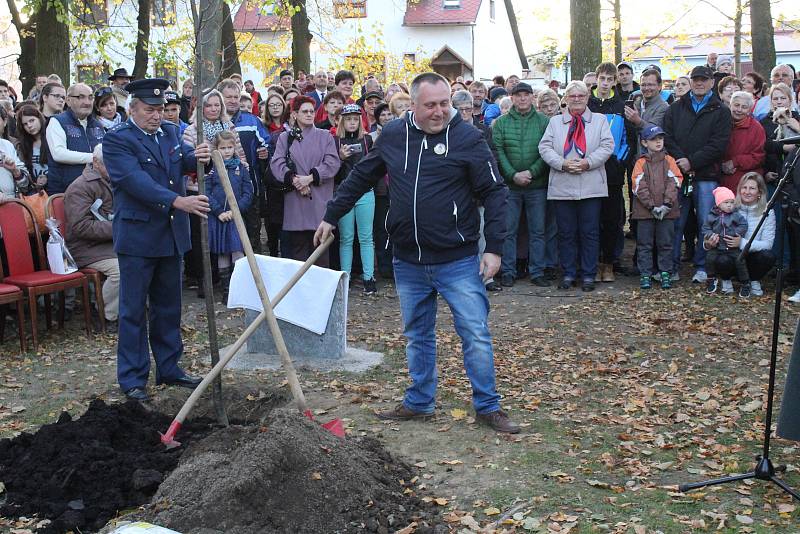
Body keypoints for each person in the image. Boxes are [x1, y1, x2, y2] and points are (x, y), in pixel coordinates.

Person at [313, 72, 518, 434]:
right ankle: (420, 401)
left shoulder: (468, 138)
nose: (440, 112)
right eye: (431, 105)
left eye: (445, 104)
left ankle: (488, 406)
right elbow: (361, 175)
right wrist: (332, 215)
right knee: (417, 334)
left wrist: (495, 248)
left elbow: (495, 193)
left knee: (475, 332)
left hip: (457, 260)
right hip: (408, 260)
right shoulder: (393, 135)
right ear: (413, 104)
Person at [102, 78, 211, 401]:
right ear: (132, 109)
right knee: (133, 310)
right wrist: (178, 201)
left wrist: (200, 156)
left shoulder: (171, 133)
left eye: (161, 109)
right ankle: (133, 379)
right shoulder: (118, 141)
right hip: (138, 236)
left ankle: (169, 368)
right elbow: (134, 181)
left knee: (168, 307)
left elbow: (180, 164)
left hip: (170, 236)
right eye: (150, 110)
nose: (157, 115)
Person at [538, 80, 614, 292]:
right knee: (566, 232)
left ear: (588, 98)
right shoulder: (555, 123)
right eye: (573, 96)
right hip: (563, 185)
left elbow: (608, 145)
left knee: (589, 232)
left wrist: (588, 162)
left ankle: (588, 274)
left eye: (581, 95)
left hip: (591, 184)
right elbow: (544, 147)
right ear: (566, 99)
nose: (577, 99)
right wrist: (562, 163)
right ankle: (569, 273)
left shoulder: (599, 121)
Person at [663, 65, 732, 284]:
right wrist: (682, 161)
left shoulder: (721, 110)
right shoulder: (676, 108)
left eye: (704, 79)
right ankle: (671, 267)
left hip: (706, 176)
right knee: (676, 221)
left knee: (706, 222)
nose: (699, 83)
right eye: (696, 79)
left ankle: (702, 266)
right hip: (679, 174)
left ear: (712, 82)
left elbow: (719, 144)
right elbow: (668, 137)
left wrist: (693, 161)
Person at [270, 95, 340, 267]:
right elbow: (277, 163)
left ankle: (322, 293)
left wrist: (309, 178)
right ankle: (300, 292)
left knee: (321, 254)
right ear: (294, 114)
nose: (309, 114)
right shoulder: (285, 138)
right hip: (295, 201)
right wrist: (295, 181)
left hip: (319, 198)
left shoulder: (325, 136)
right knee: (298, 255)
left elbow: (332, 163)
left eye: (311, 111)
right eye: (305, 111)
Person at [492, 82, 550, 287]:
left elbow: (547, 151)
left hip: (537, 185)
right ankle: (508, 270)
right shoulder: (500, 123)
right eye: (518, 95)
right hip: (511, 187)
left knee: (538, 231)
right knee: (509, 230)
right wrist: (513, 174)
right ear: (512, 98)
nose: (523, 98)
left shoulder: (544, 122)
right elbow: (499, 152)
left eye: (526, 95)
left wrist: (531, 172)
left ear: (532, 97)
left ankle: (537, 271)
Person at [64, 144, 120, 329]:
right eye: (109, 164)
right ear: (95, 162)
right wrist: (120, 228)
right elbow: (80, 227)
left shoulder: (115, 180)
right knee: (120, 270)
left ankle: (130, 309)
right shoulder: (80, 187)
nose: (115, 167)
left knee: (144, 258)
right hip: (85, 249)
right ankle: (105, 315)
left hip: (110, 244)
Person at [588, 62, 633, 283]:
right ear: (596, 79)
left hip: (613, 171)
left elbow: (628, 139)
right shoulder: (587, 104)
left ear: (615, 81)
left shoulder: (621, 106)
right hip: (589, 170)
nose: (605, 83)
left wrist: (620, 162)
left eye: (610, 79)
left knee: (612, 218)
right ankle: (593, 262)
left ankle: (609, 262)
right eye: (602, 79)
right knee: (592, 218)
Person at [218, 78, 269, 254]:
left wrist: (265, 151)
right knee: (224, 240)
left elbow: (266, 142)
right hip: (220, 191)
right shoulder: (213, 122)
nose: (232, 100)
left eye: (235, 97)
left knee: (251, 235)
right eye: (228, 97)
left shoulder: (252, 120)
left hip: (248, 187)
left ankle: (255, 276)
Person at [631, 124, 682, 290]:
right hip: (645, 212)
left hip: (667, 212)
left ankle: (665, 273)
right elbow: (638, 185)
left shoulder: (670, 161)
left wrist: (667, 204)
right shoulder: (640, 162)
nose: (658, 142)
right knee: (644, 244)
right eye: (654, 139)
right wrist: (651, 206)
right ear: (645, 143)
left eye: (660, 138)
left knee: (665, 243)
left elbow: (675, 181)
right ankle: (645, 274)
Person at [334, 104, 376, 294]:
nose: (352, 122)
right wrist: (340, 158)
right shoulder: (335, 141)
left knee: (366, 237)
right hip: (344, 194)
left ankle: (369, 277)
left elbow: (375, 165)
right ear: (342, 121)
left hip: (365, 192)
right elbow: (331, 171)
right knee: (346, 238)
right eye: (348, 118)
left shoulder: (367, 140)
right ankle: (346, 277)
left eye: (355, 118)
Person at [206, 130, 253, 301]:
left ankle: (239, 289)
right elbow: (207, 192)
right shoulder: (212, 169)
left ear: (235, 148)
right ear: (216, 149)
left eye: (229, 147)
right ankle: (227, 291)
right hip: (219, 218)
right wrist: (219, 211)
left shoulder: (241, 168)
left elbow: (248, 193)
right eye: (222, 147)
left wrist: (235, 210)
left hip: (236, 218)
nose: (226, 151)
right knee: (223, 254)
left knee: (238, 251)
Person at [45, 83, 105, 194]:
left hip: (97, 192)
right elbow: (59, 154)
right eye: (80, 97)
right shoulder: (57, 121)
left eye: (90, 97)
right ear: (68, 100)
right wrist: (94, 158)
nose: (87, 102)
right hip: (65, 192)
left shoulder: (98, 125)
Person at [733, 172, 775, 297]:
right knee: (722, 259)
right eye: (744, 188)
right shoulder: (731, 207)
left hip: (752, 257)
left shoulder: (768, 212)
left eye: (752, 188)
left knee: (768, 256)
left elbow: (768, 244)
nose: (747, 192)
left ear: (759, 192)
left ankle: (753, 280)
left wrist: (741, 243)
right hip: (733, 255)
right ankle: (728, 280)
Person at [702, 186, 748, 295]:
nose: (729, 205)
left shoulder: (735, 215)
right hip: (717, 245)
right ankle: (711, 279)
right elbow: (705, 228)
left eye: (732, 202)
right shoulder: (711, 216)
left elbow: (744, 225)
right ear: (718, 203)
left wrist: (736, 233)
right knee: (709, 258)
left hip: (732, 246)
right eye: (726, 202)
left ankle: (745, 283)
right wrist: (710, 235)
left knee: (740, 261)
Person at [720, 91, 765, 192]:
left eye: (744, 107)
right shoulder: (720, 123)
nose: (739, 110)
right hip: (721, 179)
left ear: (749, 110)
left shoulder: (756, 128)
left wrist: (735, 162)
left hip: (746, 182)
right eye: (736, 105)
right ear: (730, 105)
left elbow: (758, 157)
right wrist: (721, 165)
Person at [14, 105, 49, 190]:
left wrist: (48, 177)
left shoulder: (51, 138)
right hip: (34, 192)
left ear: (39, 118)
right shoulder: (22, 146)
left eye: (32, 120)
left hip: (53, 188)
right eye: (25, 124)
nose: (29, 126)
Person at [0, 121, 30, 202]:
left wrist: (15, 171)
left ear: (5, 122)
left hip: (13, 203)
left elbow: (25, 186)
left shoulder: (7, 145)